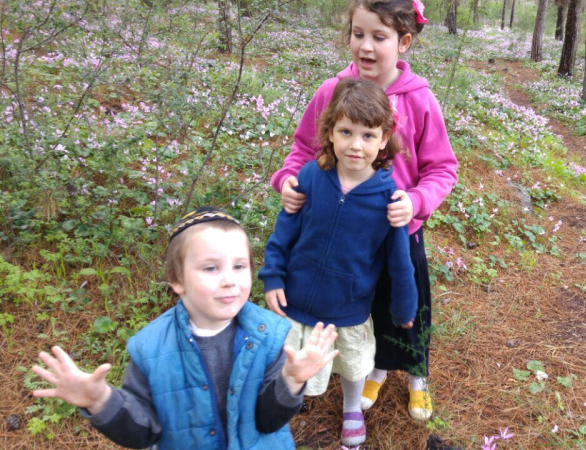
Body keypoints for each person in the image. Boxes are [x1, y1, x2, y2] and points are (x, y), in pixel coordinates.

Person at [269, 0, 458, 423]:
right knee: (363, 307)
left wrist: (416, 201)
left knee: (406, 305)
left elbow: (442, 168)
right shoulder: (332, 90)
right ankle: (374, 368)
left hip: (397, 230)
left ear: (404, 42)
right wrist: (287, 181)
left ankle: (417, 375)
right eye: (358, 34)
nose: (366, 46)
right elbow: (303, 148)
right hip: (340, 233)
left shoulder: (419, 100)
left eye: (379, 37)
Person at [31, 207, 338, 450]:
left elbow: (268, 421)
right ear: (177, 280)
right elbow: (143, 433)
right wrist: (100, 400)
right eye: (211, 268)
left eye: (239, 266)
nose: (229, 280)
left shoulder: (268, 335)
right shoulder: (151, 348)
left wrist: (291, 379)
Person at [259, 78, 418, 447]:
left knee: (353, 363)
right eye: (346, 132)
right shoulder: (311, 177)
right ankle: (285, 403)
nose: (355, 145)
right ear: (330, 132)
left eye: (367, 135)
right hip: (297, 297)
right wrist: (273, 276)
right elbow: (284, 231)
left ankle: (351, 408)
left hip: (349, 305)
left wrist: (404, 306)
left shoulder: (390, 200)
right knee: (289, 356)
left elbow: (400, 262)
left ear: (384, 139)